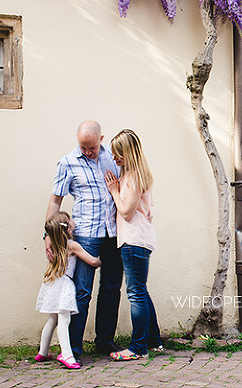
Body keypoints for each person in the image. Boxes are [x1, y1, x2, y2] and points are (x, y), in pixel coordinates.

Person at [46, 120, 123, 361]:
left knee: (111, 289)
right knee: (81, 292)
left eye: (92, 147)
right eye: (83, 147)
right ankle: (73, 348)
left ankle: (105, 342)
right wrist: (49, 234)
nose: (87, 152)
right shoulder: (67, 162)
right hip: (86, 236)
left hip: (115, 233)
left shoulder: (114, 157)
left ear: (102, 139)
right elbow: (55, 201)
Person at [104, 129, 163, 360]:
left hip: (133, 240)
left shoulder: (133, 176)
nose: (114, 157)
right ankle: (154, 341)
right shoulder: (133, 174)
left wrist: (114, 190)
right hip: (138, 239)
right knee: (141, 291)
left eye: (118, 154)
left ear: (128, 153)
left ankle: (138, 348)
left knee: (136, 293)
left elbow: (127, 212)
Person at [35, 212, 101, 369]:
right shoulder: (72, 245)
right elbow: (91, 261)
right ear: (68, 227)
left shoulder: (55, 245)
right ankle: (67, 354)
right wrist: (101, 261)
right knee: (64, 320)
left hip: (52, 283)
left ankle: (43, 352)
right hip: (64, 286)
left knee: (53, 320)